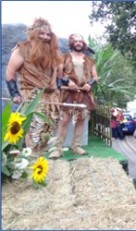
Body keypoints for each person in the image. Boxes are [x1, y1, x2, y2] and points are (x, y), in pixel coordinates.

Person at [5, 17, 63, 153]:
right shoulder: (22, 49)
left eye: (48, 34)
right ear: (33, 34)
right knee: (34, 130)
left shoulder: (53, 52)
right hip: (32, 95)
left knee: (48, 131)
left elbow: (59, 71)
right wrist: (14, 93)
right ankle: (31, 161)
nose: (45, 37)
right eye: (41, 34)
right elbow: (10, 71)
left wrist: (58, 88)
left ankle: (41, 161)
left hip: (51, 98)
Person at [49, 33, 98, 158]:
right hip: (68, 92)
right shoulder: (64, 57)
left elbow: (95, 77)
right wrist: (68, 81)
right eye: (76, 41)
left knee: (81, 119)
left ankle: (76, 146)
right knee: (64, 120)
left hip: (84, 93)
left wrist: (90, 84)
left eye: (80, 42)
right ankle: (58, 148)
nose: (78, 43)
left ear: (83, 44)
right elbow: (59, 75)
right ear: (72, 43)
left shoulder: (90, 60)